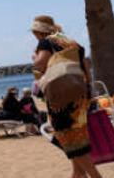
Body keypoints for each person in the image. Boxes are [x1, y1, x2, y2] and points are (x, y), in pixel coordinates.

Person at [31, 14, 102, 178]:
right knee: (76, 137)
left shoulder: (46, 42)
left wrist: (34, 59)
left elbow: (41, 64)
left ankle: (96, 176)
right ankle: (79, 174)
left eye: (34, 32)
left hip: (61, 98)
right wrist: (88, 90)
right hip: (80, 94)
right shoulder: (70, 42)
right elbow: (86, 66)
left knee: (69, 139)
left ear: (38, 31)